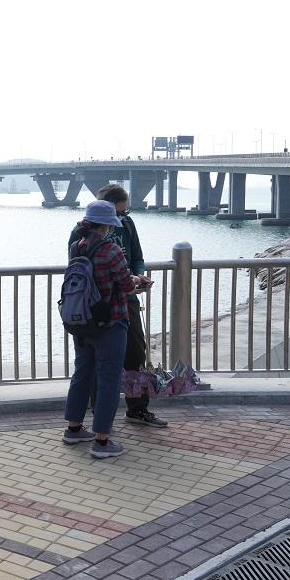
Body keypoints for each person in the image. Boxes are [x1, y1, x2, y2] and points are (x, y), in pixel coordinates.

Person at [69, 185, 166, 428]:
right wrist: (130, 282)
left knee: (135, 353)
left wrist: (138, 275)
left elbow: (137, 258)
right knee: (98, 365)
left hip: (123, 302)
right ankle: (100, 419)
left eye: (124, 213)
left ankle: (136, 408)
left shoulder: (128, 226)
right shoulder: (82, 238)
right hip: (97, 305)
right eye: (118, 215)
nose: (121, 219)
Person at [63, 200, 137, 459]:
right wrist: (139, 282)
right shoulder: (112, 250)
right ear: (107, 225)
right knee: (108, 380)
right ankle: (102, 442)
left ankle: (73, 429)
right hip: (111, 322)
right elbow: (127, 287)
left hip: (81, 321)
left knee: (82, 372)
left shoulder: (76, 246)